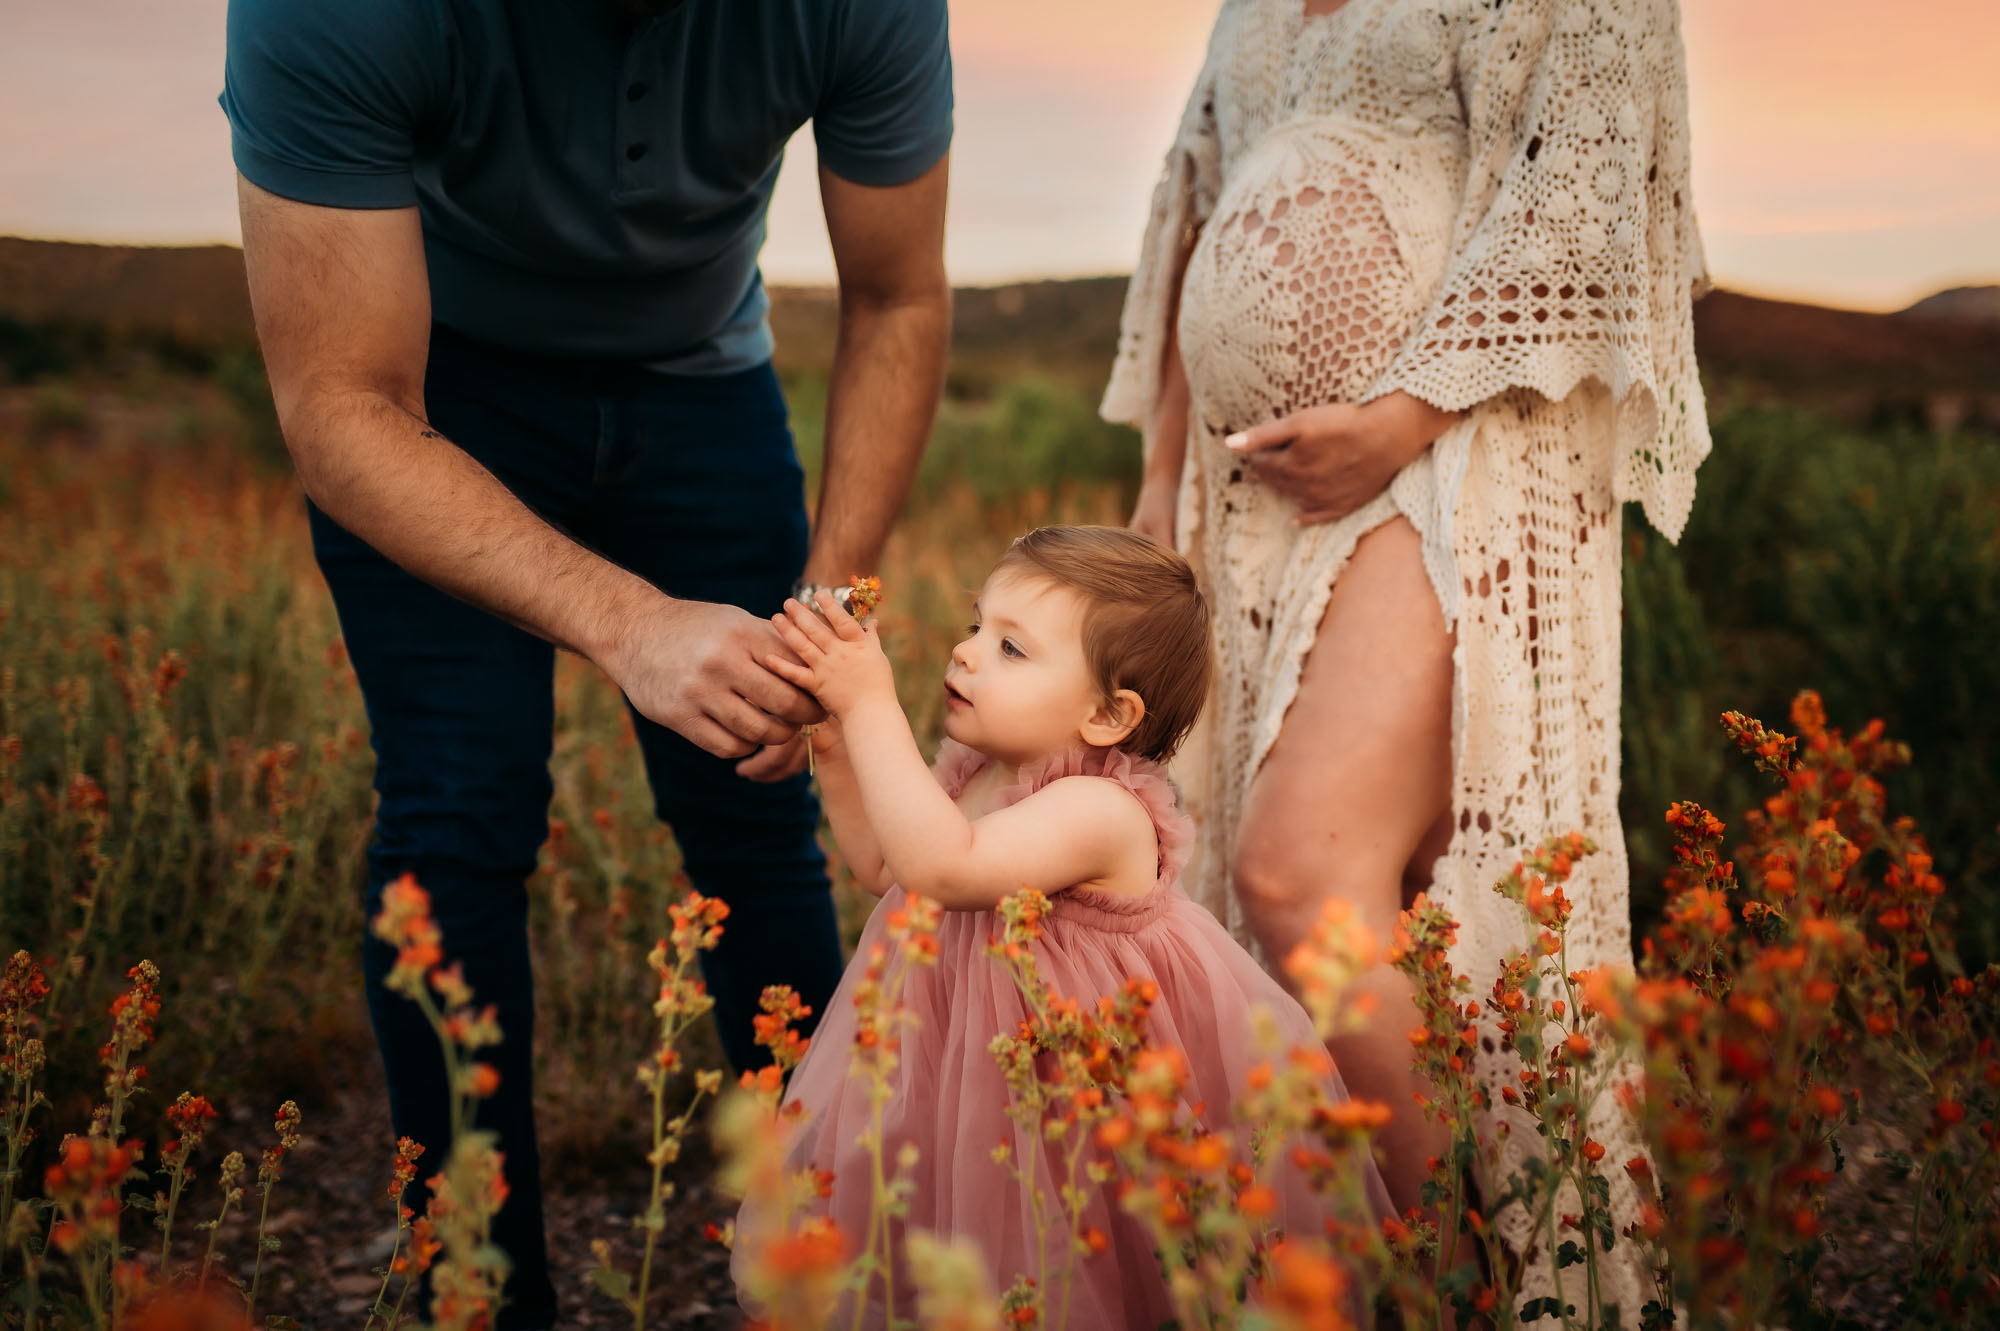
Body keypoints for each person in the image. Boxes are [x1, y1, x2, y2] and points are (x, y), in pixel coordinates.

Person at [219, 0, 952, 1323]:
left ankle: (835, 1267)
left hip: (703, 383)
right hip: (427, 393)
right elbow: (340, 407)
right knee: (457, 806)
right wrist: (631, 623)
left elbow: (898, 295)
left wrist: (824, 613)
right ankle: (478, 1289)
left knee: (756, 809)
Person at [1104, 0, 1710, 1313]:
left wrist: (1403, 414)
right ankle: (1364, 1277)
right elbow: (1203, 206)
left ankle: (1482, 1289)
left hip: (1459, 454)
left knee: (1302, 865)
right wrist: (1159, 480)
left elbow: (1583, 191)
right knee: (1390, 910)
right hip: (1252, 497)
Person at [735, 526, 1394, 1329]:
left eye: (1012, 649)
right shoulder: (981, 772)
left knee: (1060, 1252)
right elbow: (887, 864)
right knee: (938, 1221)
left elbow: (945, 866)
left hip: (1064, 1091)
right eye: (979, 624)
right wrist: (837, 739)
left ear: (1110, 714)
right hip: (955, 1059)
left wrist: (872, 700)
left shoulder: (1100, 810)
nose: (969, 652)